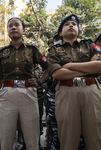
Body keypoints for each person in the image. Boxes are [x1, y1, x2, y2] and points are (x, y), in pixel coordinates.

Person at [47, 14, 101, 150]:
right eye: (67, 24)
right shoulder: (54, 49)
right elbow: (57, 74)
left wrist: (69, 65)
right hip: (66, 92)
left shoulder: (89, 45)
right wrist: (89, 67)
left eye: (74, 24)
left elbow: (99, 66)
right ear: (60, 33)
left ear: (78, 29)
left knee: (96, 138)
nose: (71, 25)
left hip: (91, 90)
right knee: (68, 139)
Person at [0, 17, 48, 150]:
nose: (13, 27)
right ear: (7, 31)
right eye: (10, 26)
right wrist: (9, 87)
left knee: (32, 136)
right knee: (6, 136)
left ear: (23, 30)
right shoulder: (1, 52)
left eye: (16, 25)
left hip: (28, 93)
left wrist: (39, 82)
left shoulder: (33, 49)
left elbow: (48, 67)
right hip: (7, 94)